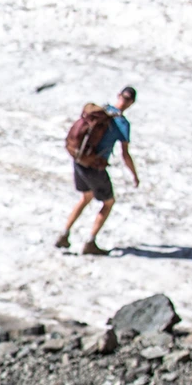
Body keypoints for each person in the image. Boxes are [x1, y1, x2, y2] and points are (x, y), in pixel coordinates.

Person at [57, 87, 139, 257]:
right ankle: (90, 242)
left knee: (86, 197)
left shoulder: (101, 110)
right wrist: (134, 175)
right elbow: (125, 154)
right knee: (108, 202)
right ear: (131, 103)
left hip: (79, 160)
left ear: (118, 96)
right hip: (95, 166)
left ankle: (64, 234)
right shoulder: (122, 124)